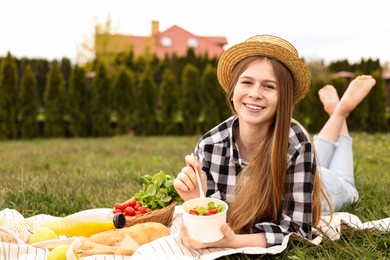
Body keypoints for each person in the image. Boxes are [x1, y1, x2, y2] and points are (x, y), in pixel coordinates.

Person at [173, 34, 376, 249]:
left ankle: (341, 112)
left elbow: (298, 229)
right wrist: (195, 198)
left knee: (348, 187)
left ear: (284, 98)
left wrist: (234, 241)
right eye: (247, 82)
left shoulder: (297, 144)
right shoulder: (210, 145)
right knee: (311, 150)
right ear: (232, 91)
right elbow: (218, 217)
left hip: (324, 188)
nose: (255, 93)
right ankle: (336, 112)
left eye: (269, 86)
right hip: (300, 160)